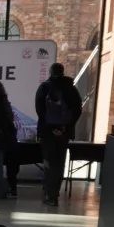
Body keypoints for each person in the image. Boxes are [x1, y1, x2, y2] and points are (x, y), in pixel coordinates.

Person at [34, 62, 83, 206]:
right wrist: (64, 128)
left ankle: (50, 195)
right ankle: (55, 193)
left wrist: (50, 128)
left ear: (50, 72)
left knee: (49, 163)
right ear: (63, 72)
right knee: (60, 163)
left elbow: (40, 110)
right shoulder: (71, 88)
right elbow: (77, 110)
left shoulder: (44, 87)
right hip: (64, 133)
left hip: (47, 133)